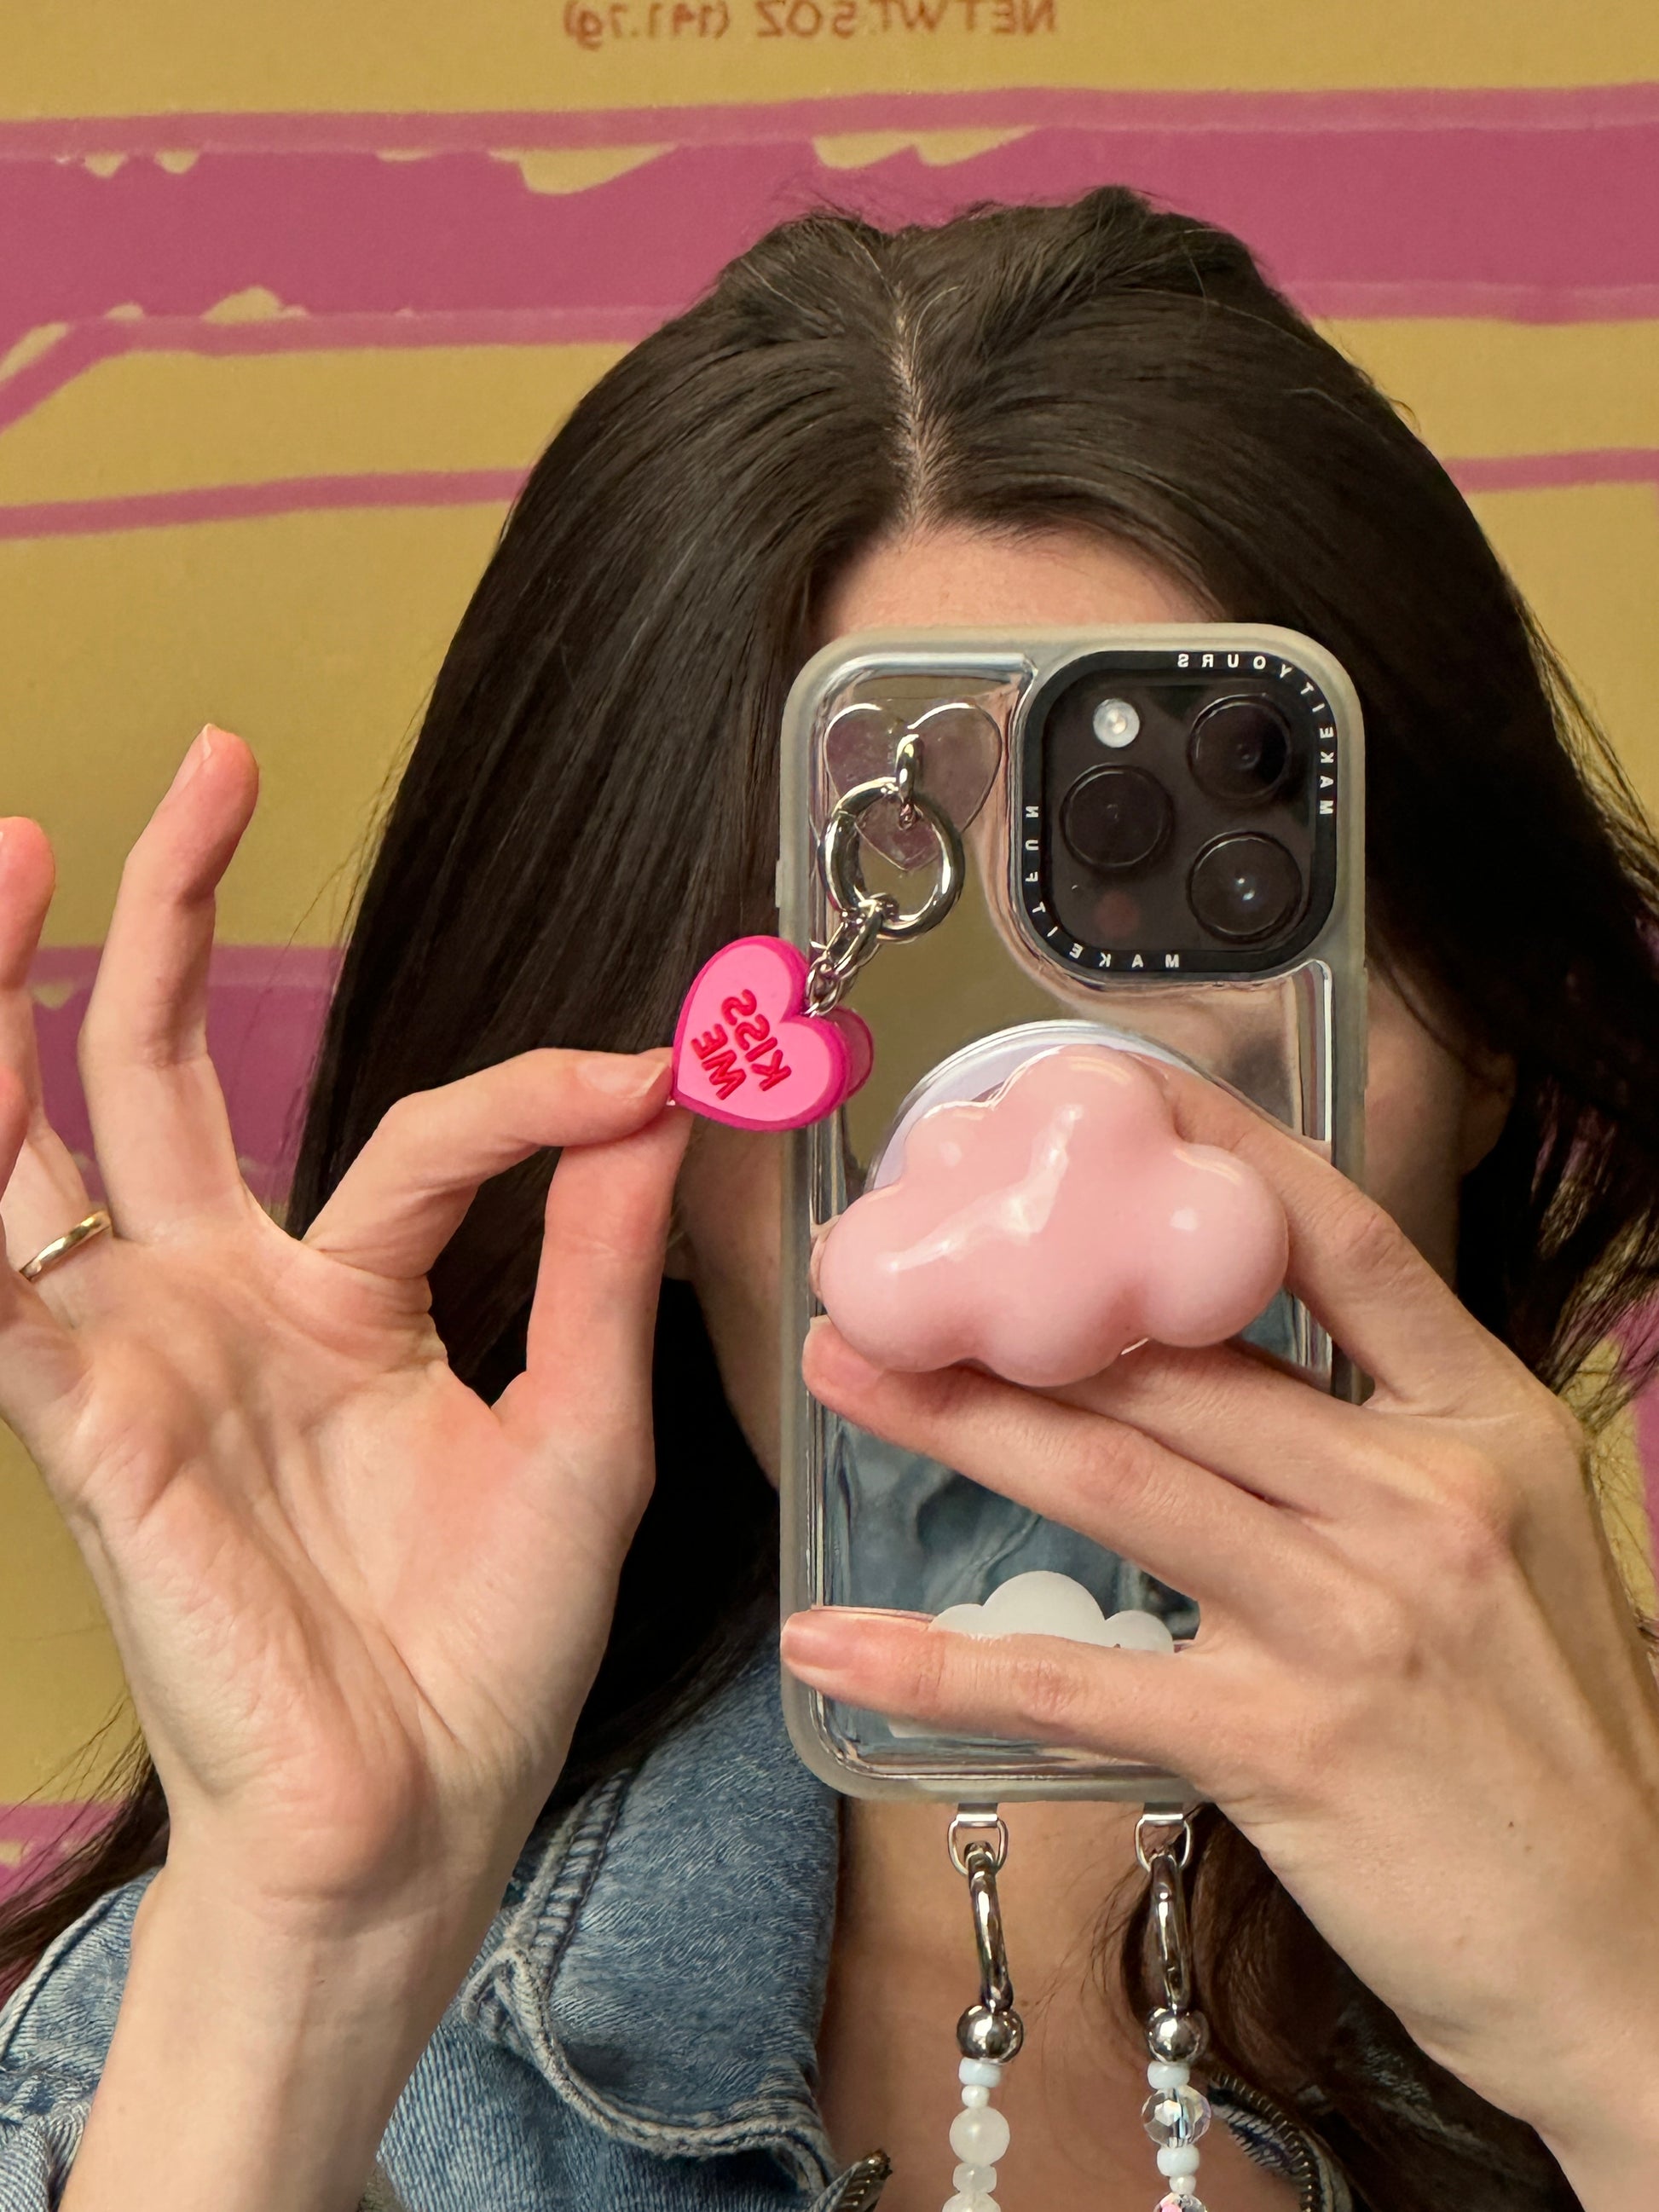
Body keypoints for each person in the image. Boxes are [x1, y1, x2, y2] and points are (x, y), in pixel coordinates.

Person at [2, 186, 1658, 2212]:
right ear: (646, 1131)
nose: (1054, 1139)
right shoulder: (157, 2068)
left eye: (1204, 923)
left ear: (1484, 1032)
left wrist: (1625, 2022)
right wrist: (302, 1977)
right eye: (887, 948)